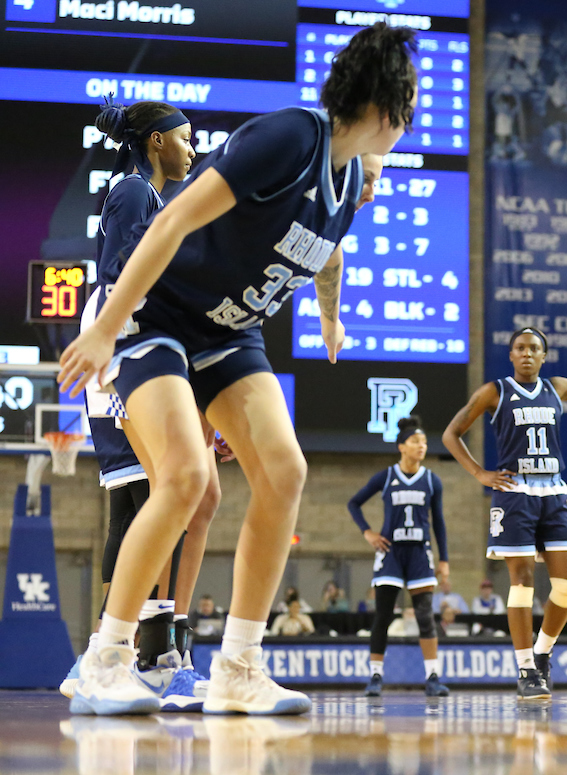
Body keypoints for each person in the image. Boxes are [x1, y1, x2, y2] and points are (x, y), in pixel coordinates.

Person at [57, 22, 418, 716]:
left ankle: (238, 668)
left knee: (285, 472)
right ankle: (104, 660)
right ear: (386, 114)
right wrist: (103, 328)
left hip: (228, 332)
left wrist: (331, 318)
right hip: (159, 317)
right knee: (187, 479)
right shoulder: (288, 136)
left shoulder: (349, 181)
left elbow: (328, 258)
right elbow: (171, 223)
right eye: (407, 113)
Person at [59, 97, 221, 711]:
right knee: (153, 502)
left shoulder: (152, 199)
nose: (193, 148)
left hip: (133, 343)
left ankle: (138, 656)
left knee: (147, 502)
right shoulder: (132, 192)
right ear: (155, 142)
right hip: (124, 342)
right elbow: (125, 277)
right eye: (185, 138)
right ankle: (131, 656)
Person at [443, 324, 567, 699]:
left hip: (553, 490)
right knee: (522, 580)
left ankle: (543, 651)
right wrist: (480, 473)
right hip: (514, 494)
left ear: (544, 356)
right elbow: (452, 433)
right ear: (511, 355)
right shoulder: (494, 391)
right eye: (520, 347)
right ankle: (526, 668)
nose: (527, 353)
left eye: (534, 348)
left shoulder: (556, 387)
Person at [347, 414, 450, 698]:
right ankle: (376, 676)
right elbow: (353, 503)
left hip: (419, 553)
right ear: (401, 446)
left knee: (425, 616)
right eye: (415, 441)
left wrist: (444, 560)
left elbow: (438, 523)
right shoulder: (386, 476)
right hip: (391, 553)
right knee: (383, 617)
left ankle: (432, 676)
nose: (422, 446)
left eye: (424, 442)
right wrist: (367, 532)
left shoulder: (432, 480)